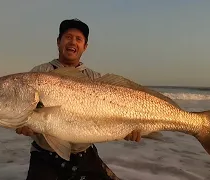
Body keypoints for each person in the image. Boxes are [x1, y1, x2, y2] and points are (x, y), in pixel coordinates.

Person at [16, 18, 141, 180]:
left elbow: (110, 114)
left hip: (84, 154)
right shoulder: (39, 73)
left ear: (85, 47)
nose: (72, 42)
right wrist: (22, 124)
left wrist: (128, 129)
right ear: (58, 42)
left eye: (78, 39)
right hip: (44, 155)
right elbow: (22, 111)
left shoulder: (94, 78)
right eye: (68, 37)